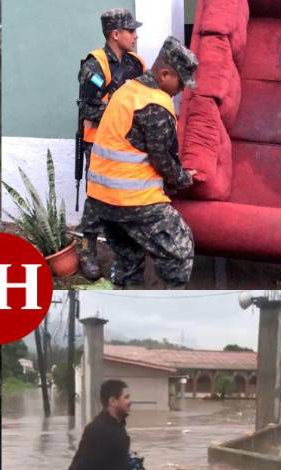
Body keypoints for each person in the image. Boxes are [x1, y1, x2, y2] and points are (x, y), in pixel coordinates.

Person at [85, 36, 199, 289]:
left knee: (129, 258)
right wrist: (183, 178)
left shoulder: (128, 89)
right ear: (165, 74)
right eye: (181, 83)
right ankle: (173, 307)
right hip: (131, 199)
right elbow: (163, 160)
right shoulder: (155, 105)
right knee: (180, 251)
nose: (182, 90)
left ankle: (127, 299)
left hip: (100, 200)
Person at [78, 9, 145, 281]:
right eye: (131, 31)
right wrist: (119, 112)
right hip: (98, 145)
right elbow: (88, 109)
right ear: (115, 34)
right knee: (96, 199)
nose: (136, 35)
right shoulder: (95, 66)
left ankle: (123, 255)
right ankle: (87, 252)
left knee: (123, 199)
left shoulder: (137, 65)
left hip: (127, 146)